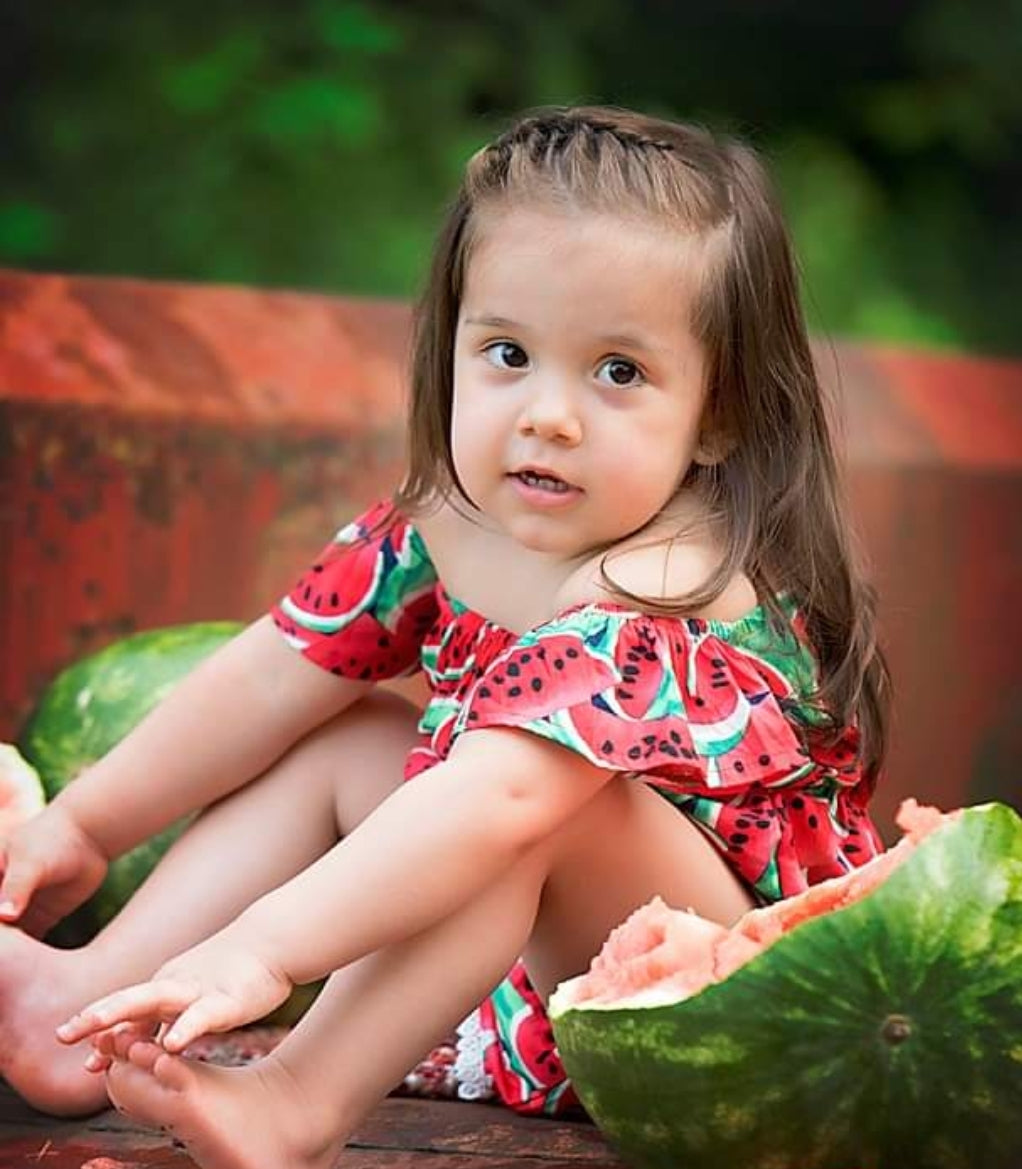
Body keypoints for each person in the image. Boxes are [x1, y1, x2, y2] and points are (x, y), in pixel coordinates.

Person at [0, 105, 890, 1169]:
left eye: (617, 372)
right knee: (347, 735)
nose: (548, 415)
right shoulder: (446, 527)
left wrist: (260, 950)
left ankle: (294, 1099)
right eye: (508, 352)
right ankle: (79, 1001)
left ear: (716, 414)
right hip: (526, 961)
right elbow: (277, 667)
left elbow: (504, 800)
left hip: (722, 1017)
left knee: (541, 794)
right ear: (452, 347)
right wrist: (86, 824)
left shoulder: (669, 584)